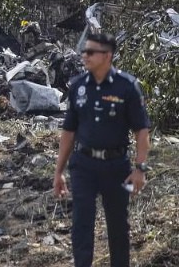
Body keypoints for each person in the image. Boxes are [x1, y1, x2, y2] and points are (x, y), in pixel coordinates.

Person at [53, 32, 151, 267]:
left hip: (117, 168)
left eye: (90, 52)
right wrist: (59, 171)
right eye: (83, 51)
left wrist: (140, 169)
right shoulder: (77, 86)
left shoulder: (127, 86)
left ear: (107, 55)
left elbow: (142, 132)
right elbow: (69, 131)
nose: (84, 56)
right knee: (81, 226)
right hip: (84, 165)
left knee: (118, 227)